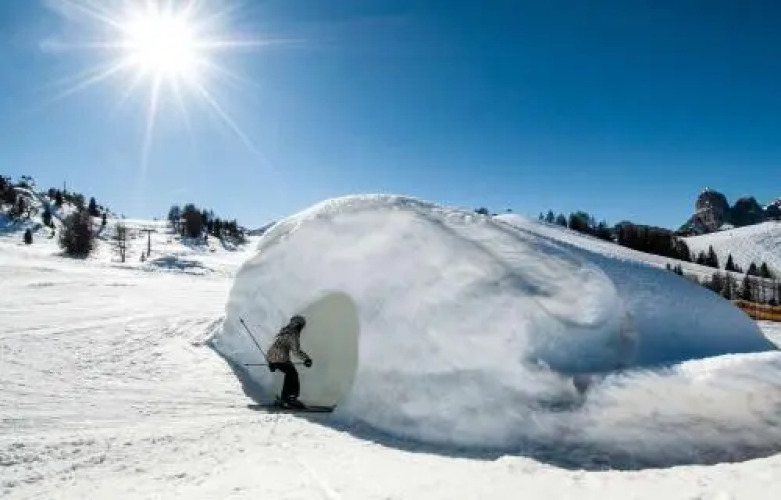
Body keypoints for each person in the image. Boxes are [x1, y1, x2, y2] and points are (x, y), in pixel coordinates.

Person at [267, 315, 313, 408]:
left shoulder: (283, 331)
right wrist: (306, 359)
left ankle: (284, 398)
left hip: (271, 356)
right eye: (301, 326)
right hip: (281, 357)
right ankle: (291, 398)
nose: (301, 328)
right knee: (293, 374)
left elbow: (273, 346)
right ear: (298, 325)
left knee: (290, 373)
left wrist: (270, 363)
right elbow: (296, 351)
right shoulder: (293, 334)